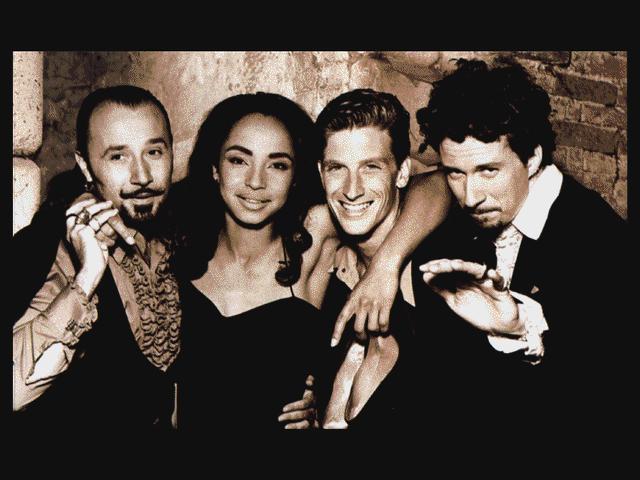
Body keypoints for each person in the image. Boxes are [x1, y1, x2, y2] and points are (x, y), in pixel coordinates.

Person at [172, 91, 450, 431]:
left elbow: (439, 182)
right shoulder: (177, 242)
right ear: (214, 168)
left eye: (277, 164)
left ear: (295, 175)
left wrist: (385, 266)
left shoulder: (313, 236)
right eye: (238, 160)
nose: (256, 181)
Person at [412, 58, 631, 429]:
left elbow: (606, 392)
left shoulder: (601, 242)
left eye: (488, 171)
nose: (470, 196)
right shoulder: (446, 240)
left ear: (531, 159)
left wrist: (519, 331)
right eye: (455, 174)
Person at [13, 85, 184, 432]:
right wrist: (88, 273)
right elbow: (14, 392)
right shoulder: (47, 247)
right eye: (118, 157)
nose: (142, 176)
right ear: (85, 166)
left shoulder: (183, 240)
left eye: (154, 152)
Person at [313, 88, 428, 430]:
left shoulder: (436, 276)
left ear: (402, 173)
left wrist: (386, 264)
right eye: (337, 168)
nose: (352, 189)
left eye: (371, 167)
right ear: (321, 173)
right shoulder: (331, 275)